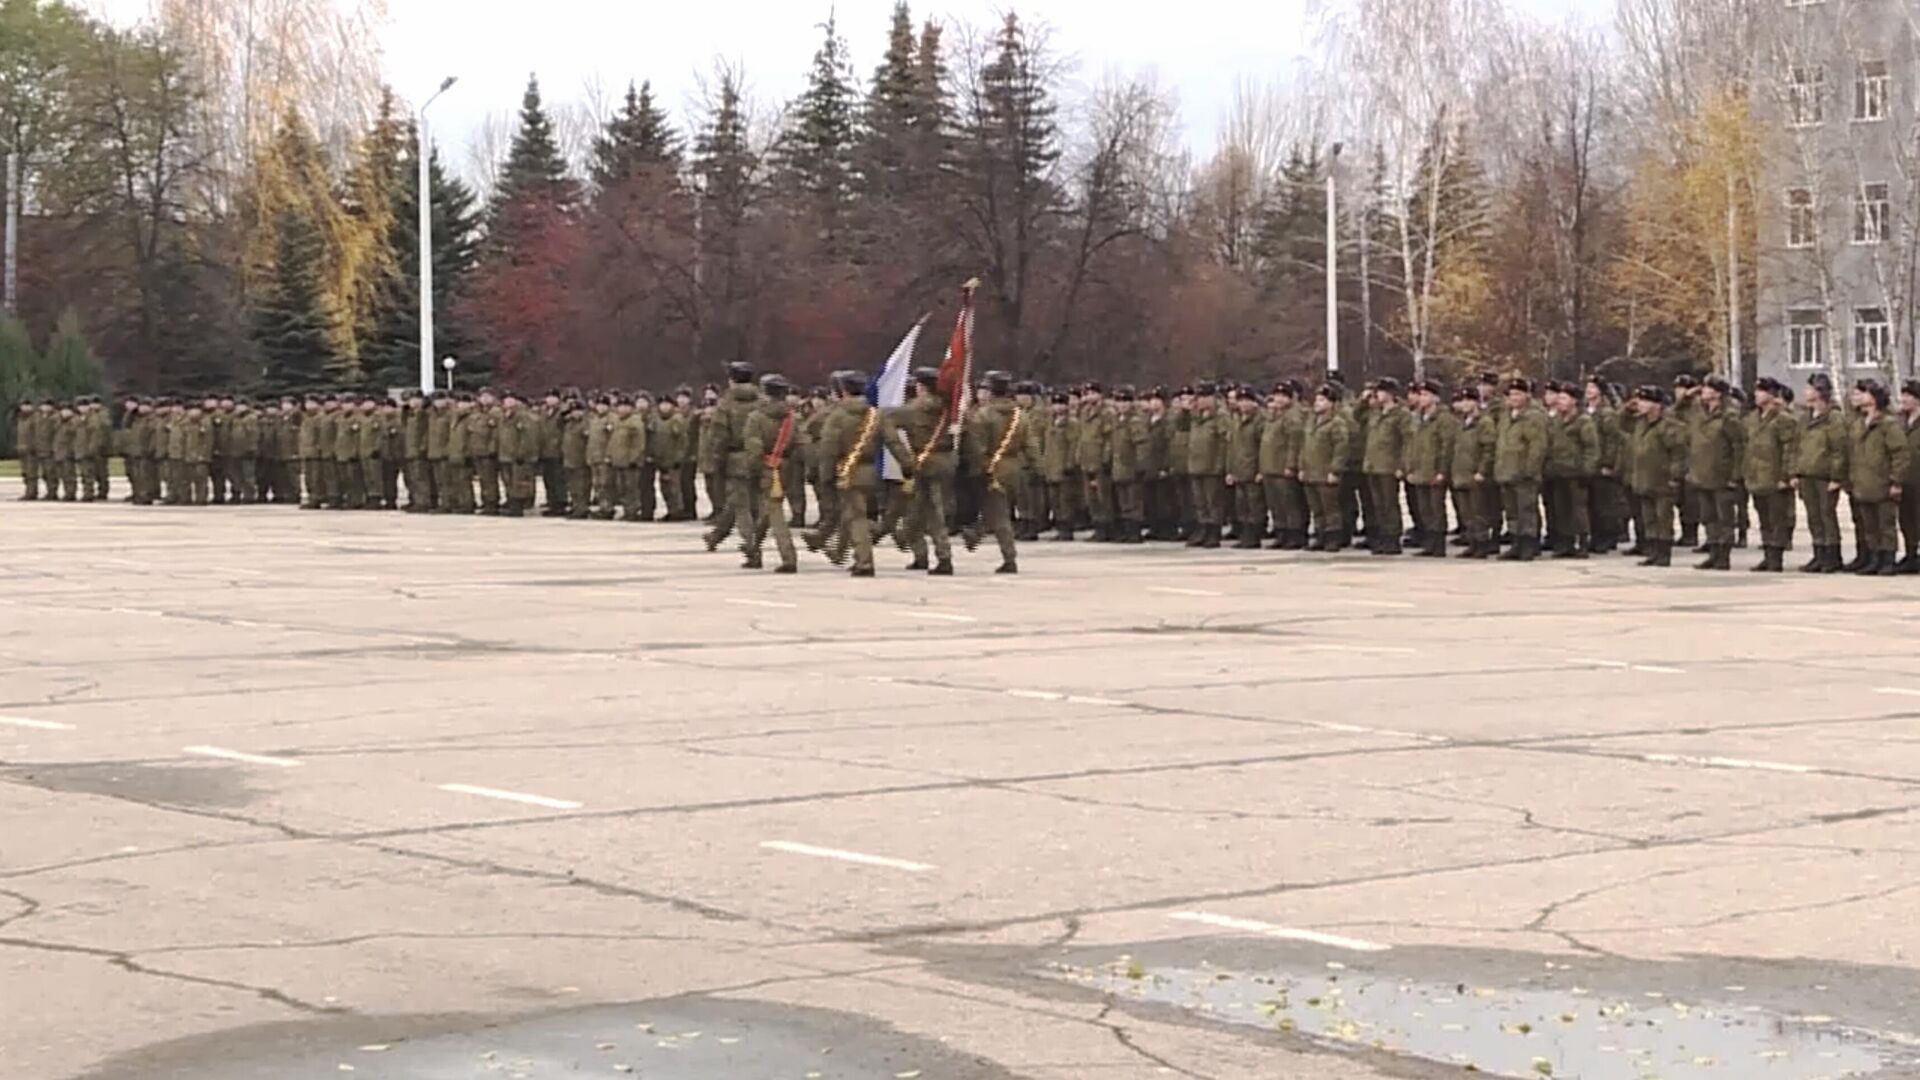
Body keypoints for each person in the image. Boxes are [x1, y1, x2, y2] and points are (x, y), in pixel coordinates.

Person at [1848, 379, 1909, 576]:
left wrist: (1896, 480)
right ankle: (1874, 558)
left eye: (1865, 393)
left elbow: (1900, 454)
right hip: (1863, 482)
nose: (1860, 396)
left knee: (1886, 525)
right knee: (1869, 526)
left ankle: (1888, 559)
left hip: (1882, 483)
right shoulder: (1858, 424)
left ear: (1875, 398)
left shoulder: (1888, 424)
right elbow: (1853, 453)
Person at [970, 370, 1029, 573]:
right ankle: (974, 536)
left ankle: (1009, 557)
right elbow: (1030, 445)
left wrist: (979, 470)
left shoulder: (984, 415)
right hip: (1015, 467)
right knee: (997, 511)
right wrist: (1036, 469)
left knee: (999, 515)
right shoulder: (1019, 415)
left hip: (993, 468)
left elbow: (978, 449)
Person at [742, 374, 802, 573]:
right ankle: (753, 550)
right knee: (767, 513)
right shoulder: (792, 417)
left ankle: (788, 557)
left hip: (766, 467)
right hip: (786, 467)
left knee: (775, 514)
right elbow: (798, 444)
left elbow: (754, 447)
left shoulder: (756, 418)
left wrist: (753, 470)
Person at [1743, 377, 1799, 573]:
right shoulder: (1752, 418)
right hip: (1757, 476)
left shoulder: (1783, 419)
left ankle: (1776, 557)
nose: (1756, 395)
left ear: (1772, 395)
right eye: (1756, 391)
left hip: (1775, 477)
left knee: (1777, 520)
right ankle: (1767, 554)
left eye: (1761, 391)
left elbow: (1790, 449)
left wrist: (1786, 475)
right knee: (1764, 519)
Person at [1686, 376, 1742, 571]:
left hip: (1722, 476)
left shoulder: (1728, 416)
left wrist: (1735, 475)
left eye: (1708, 388)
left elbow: (1739, 445)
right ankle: (1713, 552)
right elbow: (1675, 412)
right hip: (1702, 474)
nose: (1703, 391)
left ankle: (1723, 556)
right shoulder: (1700, 413)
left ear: (1718, 393)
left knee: (1724, 518)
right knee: (1708, 517)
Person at [1627, 386, 1687, 567]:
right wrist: (1627, 408)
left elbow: (1678, 453)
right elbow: (1619, 423)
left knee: (1663, 518)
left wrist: (1675, 476)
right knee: (1649, 518)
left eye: (1645, 401)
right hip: (1644, 478)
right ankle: (1652, 551)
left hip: (1662, 479)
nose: (1641, 404)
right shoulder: (1640, 423)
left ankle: (1664, 553)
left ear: (1657, 405)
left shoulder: (1668, 426)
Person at [1494, 378, 1547, 561]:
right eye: (1511, 394)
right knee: (1512, 510)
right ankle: (1516, 542)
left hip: (1524, 473)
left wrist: (1530, 470)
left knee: (1526, 509)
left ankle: (1529, 544)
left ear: (1527, 395)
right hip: (1507, 471)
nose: (1514, 398)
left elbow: (1537, 447)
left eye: (1518, 394)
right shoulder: (1506, 416)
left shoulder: (1533, 416)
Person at [1403, 380, 1457, 558]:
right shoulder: (1416, 417)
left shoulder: (1444, 418)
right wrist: (1408, 467)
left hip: (1434, 470)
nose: (1421, 398)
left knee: (1436, 508)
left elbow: (1446, 447)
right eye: (1420, 394)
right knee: (1424, 509)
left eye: (1426, 395)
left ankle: (1438, 544)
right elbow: (1411, 444)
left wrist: (1442, 471)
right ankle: (1429, 542)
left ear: (1436, 398)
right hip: (1419, 470)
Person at [1361, 378, 1410, 555]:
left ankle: (1393, 538)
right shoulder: (1375, 413)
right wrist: (1363, 401)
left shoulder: (1400, 414)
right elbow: (1356, 417)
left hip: (1389, 465)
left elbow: (1407, 441)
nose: (1377, 395)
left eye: (1380, 392)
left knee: (1389, 504)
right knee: (1378, 504)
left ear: (1390, 393)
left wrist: (1402, 465)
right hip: (1373, 464)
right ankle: (1382, 536)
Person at [1301, 383, 1351, 551]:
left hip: (1326, 472)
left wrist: (1335, 470)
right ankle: (1320, 535)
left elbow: (1341, 449)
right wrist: (1302, 467)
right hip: (1311, 472)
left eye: (1322, 400)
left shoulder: (1337, 423)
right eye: (1317, 399)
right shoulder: (1312, 422)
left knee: (1331, 508)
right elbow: (1305, 447)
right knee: (1317, 508)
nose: (1317, 403)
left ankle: (1333, 538)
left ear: (1331, 403)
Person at [1449, 387, 1498, 558]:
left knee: (1479, 511)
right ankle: (1472, 542)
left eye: (1469, 400)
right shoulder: (1462, 423)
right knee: (1466, 512)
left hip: (1475, 473)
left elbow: (1489, 448)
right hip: (1461, 473)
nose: (1465, 404)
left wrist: (1483, 470)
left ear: (1476, 402)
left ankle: (1482, 543)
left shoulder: (1484, 422)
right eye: (1463, 401)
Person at [1259, 381, 1308, 550]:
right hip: (1270, 466)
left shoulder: (1292, 417)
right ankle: (1282, 532)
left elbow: (1294, 443)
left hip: (1282, 468)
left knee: (1290, 504)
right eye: (1276, 396)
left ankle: (1295, 534)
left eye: (1283, 396)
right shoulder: (1273, 416)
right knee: (1276, 505)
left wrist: (1291, 465)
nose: (1278, 399)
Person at [1185, 383, 1228, 549]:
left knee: (1213, 502)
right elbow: (1180, 426)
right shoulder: (1196, 416)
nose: (1201, 400)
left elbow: (1225, 441)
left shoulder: (1220, 416)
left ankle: (1213, 531)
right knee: (1199, 501)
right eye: (1199, 397)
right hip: (1196, 464)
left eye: (1205, 397)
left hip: (1212, 465)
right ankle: (1202, 528)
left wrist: (1220, 464)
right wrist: (1186, 410)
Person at [1899, 380, 1920, 575]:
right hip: (1904, 478)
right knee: (1906, 519)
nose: (1903, 399)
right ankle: (1911, 553)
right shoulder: (1900, 421)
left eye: (1908, 396)